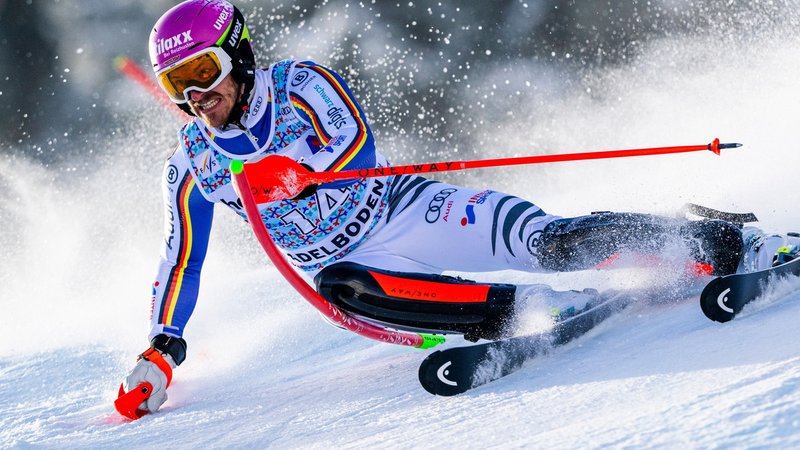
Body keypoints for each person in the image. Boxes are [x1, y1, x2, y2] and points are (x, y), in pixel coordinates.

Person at [121, 0, 800, 415]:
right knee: (342, 285)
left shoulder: (300, 84)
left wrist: (301, 173)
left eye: (204, 71)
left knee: (549, 241)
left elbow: (354, 139)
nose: (196, 95)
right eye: (178, 83)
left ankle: (734, 245)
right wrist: (161, 348)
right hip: (360, 269)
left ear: (237, 55)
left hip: (407, 210)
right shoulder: (193, 162)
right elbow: (181, 257)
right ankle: (534, 311)